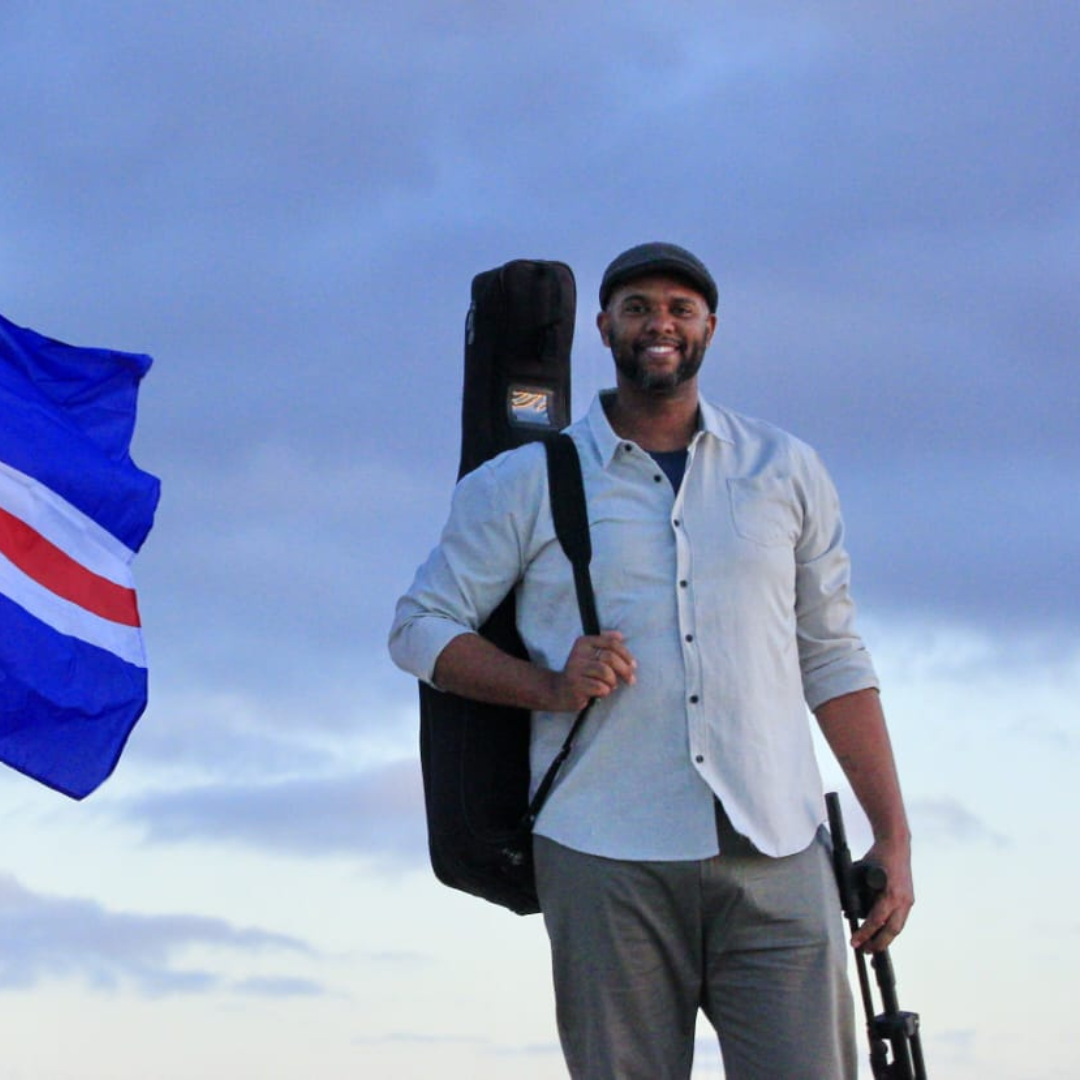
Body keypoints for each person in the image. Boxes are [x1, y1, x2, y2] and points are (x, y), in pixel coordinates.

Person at [389, 242, 914, 1079]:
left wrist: (893, 834)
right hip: (604, 850)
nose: (658, 325)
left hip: (778, 847)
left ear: (710, 327)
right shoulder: (525, 479)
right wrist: (547, 686)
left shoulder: (784, 468)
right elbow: (419, 627)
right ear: (603, 328)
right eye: (637, 309)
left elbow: (834, 656)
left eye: (679, 309)